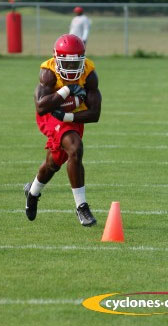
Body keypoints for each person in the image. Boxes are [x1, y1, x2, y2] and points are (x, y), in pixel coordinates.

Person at [24, 34, 102, 227]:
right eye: (66, 64)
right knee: (75, 148)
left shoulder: (89, 74)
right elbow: (41, 107)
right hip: (50, 116)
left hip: (72, 117)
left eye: (75, 64)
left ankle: (32, 192)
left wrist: (67, 117)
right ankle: (81, 207)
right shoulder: (48, 73)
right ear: (57, 59)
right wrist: (66, 91)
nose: (70, 68)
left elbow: (95, 114)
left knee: (54, 163)